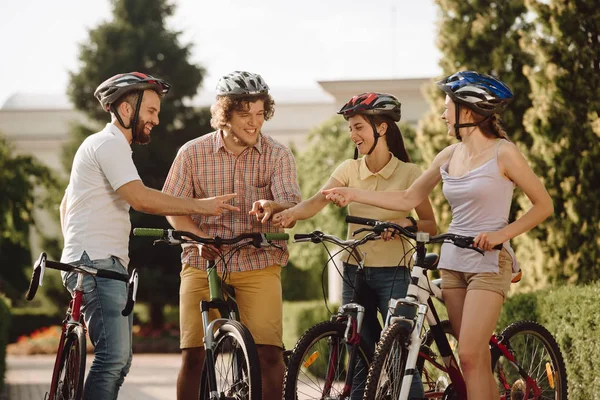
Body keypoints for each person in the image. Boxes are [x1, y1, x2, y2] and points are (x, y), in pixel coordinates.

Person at [322, 71, 554, 399]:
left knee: (472, 357)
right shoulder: (447, 156)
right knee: (471, 359)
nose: (443, 114)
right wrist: (353, 194)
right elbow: (407, 198)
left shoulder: (504, 153)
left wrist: (501, 234)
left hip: (489, 262)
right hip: (453, 260)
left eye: (448, 108)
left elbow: (543, 205)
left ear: (469, 112)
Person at [59, 72, 239, 400]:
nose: (156, 119)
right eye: (151, 111)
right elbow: (140, 198)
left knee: (118, 360)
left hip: (92, 261)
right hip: (96, 264)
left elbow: (65, 204)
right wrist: (200, 206)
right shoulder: (109, 143)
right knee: (114, 359)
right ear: (127, 110)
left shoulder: (101, 145)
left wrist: (73, 251)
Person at [273, 92, 436, 398]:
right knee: (357, 356)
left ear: (381, 128)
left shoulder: (409, 174)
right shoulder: (348, 170)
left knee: (399, 358)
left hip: (395, 272)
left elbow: (429, 224)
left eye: (358, 126)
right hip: (354, 270)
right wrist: (289, 215)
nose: (353, 134)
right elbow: (315, 202)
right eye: (351, 128)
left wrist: (404, 225)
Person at [162, 70, 302, 400]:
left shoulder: (277, 154)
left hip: (257, 259)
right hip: (202, 261)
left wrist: (274, 206)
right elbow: (173, 207)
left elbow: (292, 206)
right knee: (194, 355)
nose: (254, 123)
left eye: (259, 114)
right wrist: (197, 236)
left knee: (269, 354)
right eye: (245, 114)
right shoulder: (192, 154)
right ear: (225, 114)